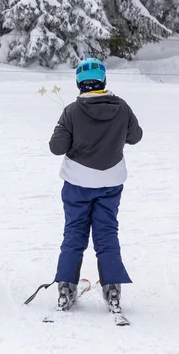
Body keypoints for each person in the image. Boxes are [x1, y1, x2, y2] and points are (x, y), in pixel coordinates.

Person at [49, 57, 142, 310]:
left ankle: (67, 286)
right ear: (103, 80)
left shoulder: (71, 110)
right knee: (107, 232)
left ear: (79, 83)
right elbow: (136, 136)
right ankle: (112, 287)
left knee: (75, 232)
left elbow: (56, 147)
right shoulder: (121, 107)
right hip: (111, 180)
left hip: (77, 181)